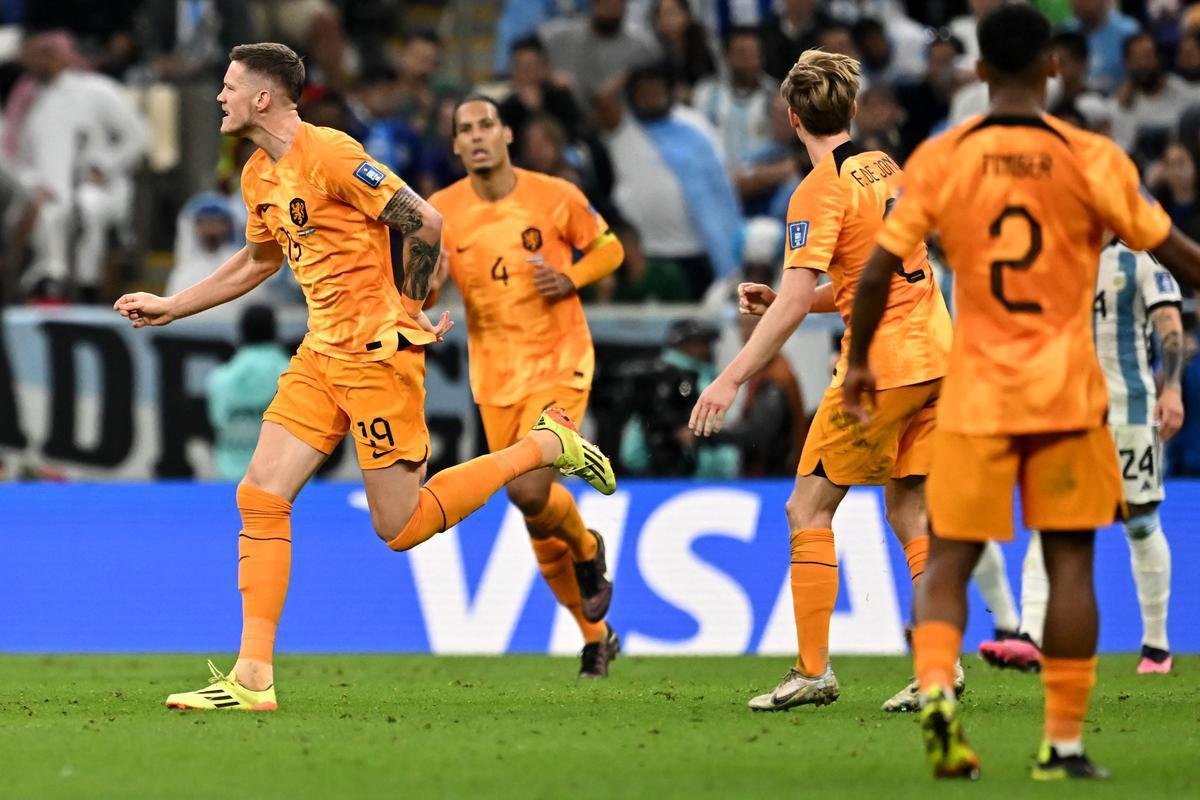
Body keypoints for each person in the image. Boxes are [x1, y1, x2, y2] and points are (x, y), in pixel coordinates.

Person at [113, 43, 616, 711]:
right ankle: (253, 678)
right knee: (260, 495)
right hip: (322, 354)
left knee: (400, 526)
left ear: (264, 97)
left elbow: (424, 221)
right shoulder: (260, 174)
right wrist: (174, 305)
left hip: (378, 355)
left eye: (230, 87)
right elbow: (258, 261)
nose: (220, 97)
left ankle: (543, 448)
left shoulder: (332, 154)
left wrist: (408, 306)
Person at [842, 4, 1200, 780]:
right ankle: (1063, 744)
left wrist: (862, 360)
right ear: (1052, 68)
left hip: (975, 391)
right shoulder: (1092, 157)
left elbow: (876, 271)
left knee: (950, 560)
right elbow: (1171, 250)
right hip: (1068, 396)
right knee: (1071, 560)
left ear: (977, 72)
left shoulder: (942, 158)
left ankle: (938, 688)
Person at [689, 49, 955, 713]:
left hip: (882, 366)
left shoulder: (816, 190)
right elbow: (867, 273)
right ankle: (938, 669)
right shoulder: (883, 165)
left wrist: (727, 378)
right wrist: (796, 300)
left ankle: (813, 670)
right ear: (852, 108)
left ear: (790, 117)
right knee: (909, 508)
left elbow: (794, 299)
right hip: (938, 355)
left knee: (807, 509)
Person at [427, 97, 624, 678]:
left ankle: (588, 550)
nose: (478, 136)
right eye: (465, 130)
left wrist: (571, 278)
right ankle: (595, 635)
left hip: (559, 362)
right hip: (493, 377)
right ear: (457, 147)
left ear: (507, 133)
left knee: (529, 491)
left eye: (487, 124)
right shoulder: (441, 212)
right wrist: (430, 285)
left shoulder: (555, 195)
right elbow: (427, 291)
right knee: (536, 517)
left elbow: (609, 248)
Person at [978, 241, 1185, 675]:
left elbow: (1169, 324)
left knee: (1141, 521)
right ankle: (1030, 637)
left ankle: (1157, 646)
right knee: (1048, 519)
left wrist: (1172, 387)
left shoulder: (1140, 260)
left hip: (1127, 413)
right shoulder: (1058, 255)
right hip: (1066, 415)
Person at [207, 305, 293, 481]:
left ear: (242, 333)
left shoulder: (219, 379)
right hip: (288, 482)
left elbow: (218, 420)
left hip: (232, 479)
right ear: (275, 331)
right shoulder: (296, 376)